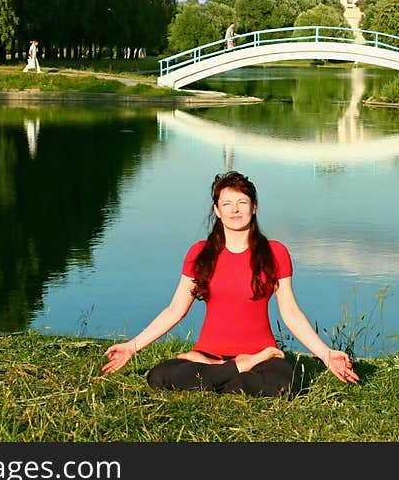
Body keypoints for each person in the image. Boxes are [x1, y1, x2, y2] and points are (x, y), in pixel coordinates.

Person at [101, 170, 359, 397]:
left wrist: (326, 354)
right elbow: (175, 310)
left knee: (283, 386)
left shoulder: (275, 252)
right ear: (217, 210)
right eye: (227, 203)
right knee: (158, 376)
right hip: (208, 355)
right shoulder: (199, 254)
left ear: (254, 206)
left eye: (242, 202)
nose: (235, 210)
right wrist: (130, 347)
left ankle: (225, 372)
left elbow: (290, 313)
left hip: (262, 357)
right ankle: (233, 369)